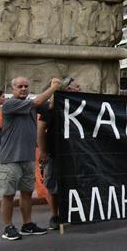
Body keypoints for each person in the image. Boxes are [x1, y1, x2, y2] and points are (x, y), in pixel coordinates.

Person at [0, 77, 62, 241]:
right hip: (11, 158)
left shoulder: (32, 104)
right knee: (8, 194)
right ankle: (8, 227)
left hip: (27, 158)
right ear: (13, 89)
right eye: (20, 86)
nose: (23, 89)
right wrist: (53, 87)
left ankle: (27, 224)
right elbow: (38, 101)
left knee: (26, 193)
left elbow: (51, 106)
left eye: (26, 86)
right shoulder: (10, 104)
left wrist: (61, 91)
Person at [37, 78, 80, 231]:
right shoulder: (50, 109)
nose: (79, 89)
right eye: (76, 87)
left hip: (72, 153)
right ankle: (55, 215)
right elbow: (41, 130)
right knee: (53, 185)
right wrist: (43, 151)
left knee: (71, 184)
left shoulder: (79, 108)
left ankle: (68, 212)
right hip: (54, 153)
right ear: (67, 90)